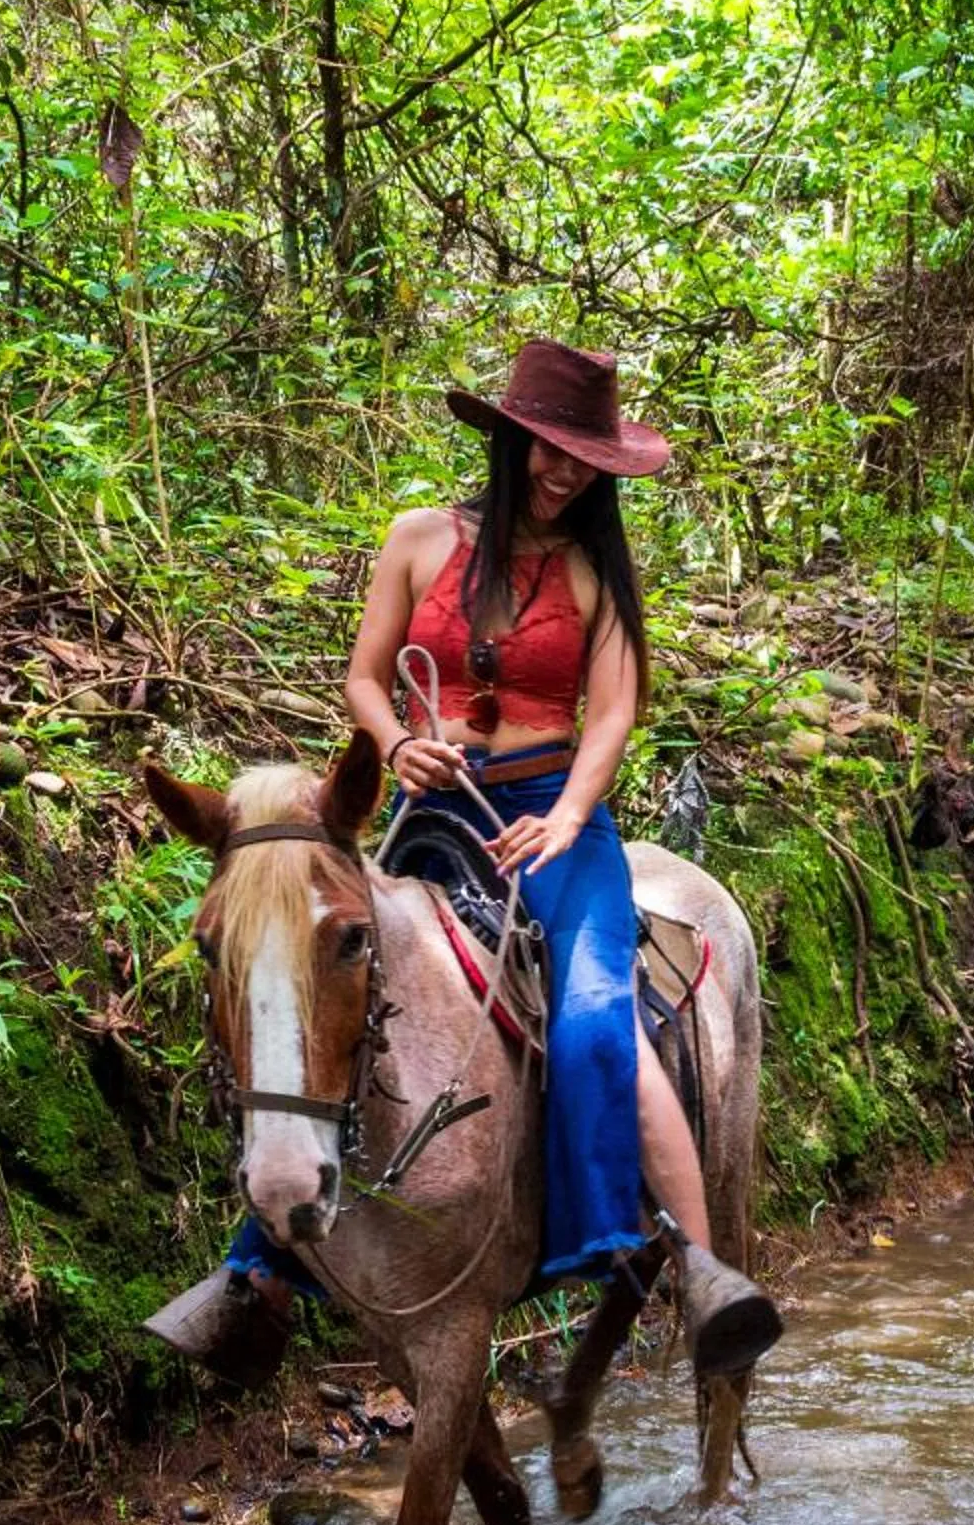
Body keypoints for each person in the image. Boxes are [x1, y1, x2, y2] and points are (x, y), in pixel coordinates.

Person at [148, 340, 778, 1384]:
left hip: (550, 816)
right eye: (548, 448)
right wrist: (397, 745)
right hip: (429, 810)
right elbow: (363, 676)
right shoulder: (418, 537)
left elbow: (616, 709)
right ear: (509, 436)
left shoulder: (593, 570)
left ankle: (701, 1267)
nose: (563, 472)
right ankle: (255, 1268)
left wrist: (573, 814)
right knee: (306, 987)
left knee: (594, 1013)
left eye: (585, 459)